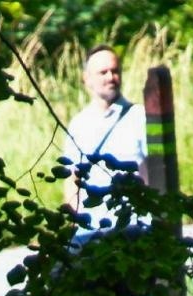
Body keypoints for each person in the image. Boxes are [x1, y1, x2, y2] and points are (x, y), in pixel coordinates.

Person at [62, 44, 150, 241]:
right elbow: (72, 180)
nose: (110, 77)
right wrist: (72, 228)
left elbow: (149, 172)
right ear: (87, 79)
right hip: (89, 233)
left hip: (133, 229)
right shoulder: (78, 123)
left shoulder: (140, 117)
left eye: (115, 71)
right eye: (103, 72)